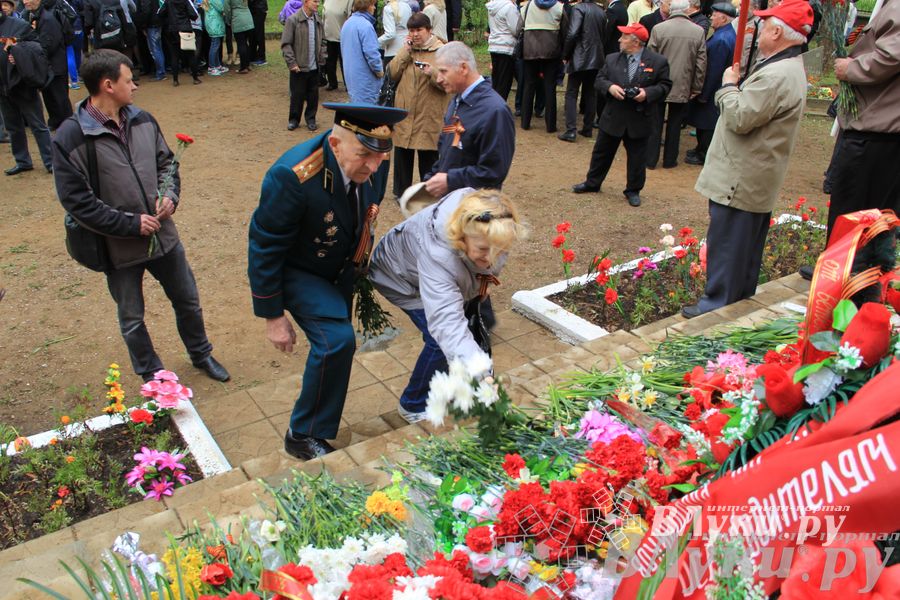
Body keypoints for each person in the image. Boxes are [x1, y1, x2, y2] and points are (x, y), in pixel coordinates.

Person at [52, 50, 231, 382]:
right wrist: (130, 224)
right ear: (107, 85)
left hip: (163, 236)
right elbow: (76, 201)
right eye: (128, 79)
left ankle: (200, 353)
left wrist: (170, 196)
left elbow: (167, 163)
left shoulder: (143, 120)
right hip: (118, 248)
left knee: (188, 300)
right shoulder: (70, 137)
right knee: (132, 318)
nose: (134, 86)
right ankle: (153, 376)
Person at [247, 102, 408, 460]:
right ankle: (302, 433)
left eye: (380, 157)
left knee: (337, 343)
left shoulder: (374, 160)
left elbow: (364, 213)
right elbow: (265, 245)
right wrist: (273, 316)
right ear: (335, 145)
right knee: (336, 341)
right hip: (299, 268)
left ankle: (311, 424)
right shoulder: (292, 176)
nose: (373, 166)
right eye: (363, 155)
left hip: (338, 267)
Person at [681, 0, 810, 318]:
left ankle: (717, 309)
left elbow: (740, 117)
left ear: (777, 31)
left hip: (742, 177)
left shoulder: (777, 74)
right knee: (742, 248)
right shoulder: (786, 67)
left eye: (765, 25)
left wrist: (727, 86)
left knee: (728, 245)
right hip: (754, 176)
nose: (758, 29)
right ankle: (736, 302)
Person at [368, 188, 527, 423]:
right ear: (461, 238)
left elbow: (482, 262)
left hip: (431, 267)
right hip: (399, 277)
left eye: (500, 249)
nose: (492, 259)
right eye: (483, 250)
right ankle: (413, 403)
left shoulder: (491, 222)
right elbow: (447, 325)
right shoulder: (439, 257)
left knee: (459, 334)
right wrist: (482, 374)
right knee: (438, 340)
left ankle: (455, 378)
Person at [820, 0, 900, 243]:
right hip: (878, 125)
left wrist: (852, 68)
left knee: (855, 209)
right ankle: (857, 270)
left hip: (876, 129)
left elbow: (890, 56)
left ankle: (841, 273)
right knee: (869, 213)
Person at [571, 23, 671, 207]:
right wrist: (610, 87)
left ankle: (633, 190)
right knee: (601, 152)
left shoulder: (658, 62)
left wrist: (647, 94)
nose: (619, 40)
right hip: (613, 116)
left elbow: (665, 85)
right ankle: (592, 183)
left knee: (637, 158)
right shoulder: (611, 59)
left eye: (624, 37)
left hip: (639, 118)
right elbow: (599, 80)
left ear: (636, 42)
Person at [423, 41, 516, 196]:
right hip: (451, 203)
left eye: (443, 71)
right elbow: (449, 150)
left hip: (475, 208)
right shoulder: (457, 101)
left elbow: (494, 172)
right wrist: (432, 178)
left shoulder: (494, 111)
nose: (438, 79)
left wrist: (450, 180)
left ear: (463, 68)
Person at [388, 12, 448, 196]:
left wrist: (432, 72)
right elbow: (391, 73)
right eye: (411, 30)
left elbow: (448, 84)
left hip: (428, 114)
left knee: (428, 156)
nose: (415, 34)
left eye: (419, 30)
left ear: (429, 30)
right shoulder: (407, 49)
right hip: (405, 111)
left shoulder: (442, 51)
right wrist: (404, 51)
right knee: (402, 154)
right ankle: (401, 192)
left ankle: (428, 193)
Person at [646, 0, 705, 169]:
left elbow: (650, 58)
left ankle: (650, 160)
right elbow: (701, 63)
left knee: (655, 121)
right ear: (687, 10)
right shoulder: (698, 31)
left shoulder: (659, 29)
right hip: (683, 82)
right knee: (675, 123)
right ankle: (670, 160)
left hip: (659, 83)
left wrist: (649, 82)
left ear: (671, 9)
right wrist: (697, 86)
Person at [0, 0, 55, 175]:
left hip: (21, 83)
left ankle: (51, 161)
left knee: (37, 124)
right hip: (2, 86)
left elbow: (38, 48)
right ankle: (22, 161)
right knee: (13, 126)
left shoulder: (19, 25)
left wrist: (19, 55)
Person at [685, 2, 735, 165]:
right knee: (705, 122)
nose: (711, 17)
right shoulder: (724, 34)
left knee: (706, 123)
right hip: (713, 88)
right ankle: (701, 149)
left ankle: (704, 153)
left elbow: (713, 69)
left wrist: (703, 93)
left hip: (712, 89)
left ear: (724, 18)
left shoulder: (721, 39)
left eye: (714, 15)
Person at [558, 0, 606, 142]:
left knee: (571, 93)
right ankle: (588, 128)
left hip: (580, 56)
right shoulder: (601, 11)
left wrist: (565, 54)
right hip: (597, 56)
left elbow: (572, 33)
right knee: (591, 93)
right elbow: (604, 35)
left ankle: (571, 130)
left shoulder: (578, 9)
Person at [22, 0, 73, 130]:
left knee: (59, 98)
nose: (25, 1)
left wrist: (34, 54)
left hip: (55, 66)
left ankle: (68, 127)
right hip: (47, 65)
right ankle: (55, 122)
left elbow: (48, 44)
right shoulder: (34, 16)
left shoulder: (47, 19)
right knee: (50, 97)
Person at [517, 0, 566, 132]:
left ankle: (525, 123)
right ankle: (550, 126)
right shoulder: (559, 7)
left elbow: (518, 29)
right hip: (551, 52)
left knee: (529, 85)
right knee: (550, 87)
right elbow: (565, 31)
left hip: (530, 51)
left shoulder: (526, 7)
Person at [282, 0, 325, 131]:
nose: (318, 4)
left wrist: (322, 58)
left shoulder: (318, 20)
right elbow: (286, 44)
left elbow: (323, 41)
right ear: (306, 2)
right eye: (315, 1)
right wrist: (292, 63)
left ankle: (311, 119)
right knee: (297, 95)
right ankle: (294, 120)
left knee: (313, 96)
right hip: (299, 67)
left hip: (314, 67)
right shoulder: (293, 20)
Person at [341, 0, 383, 103]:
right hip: (365, 79)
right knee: (368, 113)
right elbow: (371, 53)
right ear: (367, 6)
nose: (374, 8)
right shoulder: (366, 26)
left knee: (357, 108)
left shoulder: (347, 23)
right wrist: (379, 71)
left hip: (351, 78)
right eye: (373, 5)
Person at [162, 0, 202, 84]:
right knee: (191, 54)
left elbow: (160, 13)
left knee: (174, 55)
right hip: (185, 29)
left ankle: (175, 80)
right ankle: (195, 78)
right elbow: (194, 15)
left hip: (173, 29)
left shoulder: (167, 1)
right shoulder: (186, 1)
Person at [486, 0, 519, 101]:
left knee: (496, 80)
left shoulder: (492, 6)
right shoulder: (510, 7)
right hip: (506, 46)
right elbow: (515, 29)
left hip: (494, 45)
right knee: (504, 82)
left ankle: (492, 104)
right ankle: (498, 107)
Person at [323, 0, 352, 90]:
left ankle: (348, 84)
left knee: (345, 62)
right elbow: (324, 17)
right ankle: (332, 83)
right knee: (330, 61)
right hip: (328, 35)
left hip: (342, 37)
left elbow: (350, 17)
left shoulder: (349, 1)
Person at [138, 0, 167, 80]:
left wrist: (143, 25)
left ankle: (160, 73)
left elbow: (146, 11)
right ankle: (161, 71)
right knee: (158, 49)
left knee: (155, 50)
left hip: (152, 24)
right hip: (157, 22)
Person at [379, 0, 412, 68]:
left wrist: (375, 43)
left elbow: (390, 34)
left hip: (392, 51)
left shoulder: (388, 8)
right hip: (406, 48)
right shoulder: (407, 6)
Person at [223, 0, 253, 73]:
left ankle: (243, 67)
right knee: (245, 43)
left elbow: (227, 9)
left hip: (238, 19)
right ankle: (247, 64)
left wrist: (228, 20)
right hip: (248, 18)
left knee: (241, 44)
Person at [204, 0, 227, 74]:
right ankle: (211, 67)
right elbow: (222, 8)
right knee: (215, 45)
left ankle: (217, 65)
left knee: (216, 45)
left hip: (212, 23)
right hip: (215, 24)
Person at [247, 0, 266, 65]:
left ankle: (261, 57)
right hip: (256, 10)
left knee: (259, 35)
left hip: (258, 11)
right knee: (253, 34)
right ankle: (253, 56)